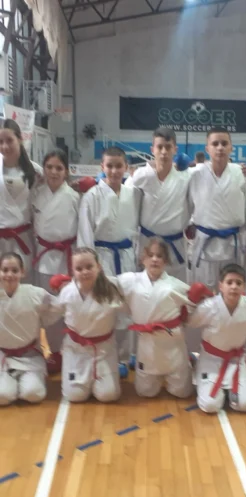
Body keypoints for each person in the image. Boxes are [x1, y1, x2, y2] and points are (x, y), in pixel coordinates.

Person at [112, 238, 200, 399]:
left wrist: (200, 297)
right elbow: (107, 286)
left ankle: (187, 361)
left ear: (166, 261)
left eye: (159, 256)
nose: (154, 259)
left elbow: (195, 307)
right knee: (145, 392)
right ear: (143, 259)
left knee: (182, 393)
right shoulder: (130, 280)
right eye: (150, 255)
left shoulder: (175, 285)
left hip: (173, 343)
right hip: (148, 345)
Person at [77, 146, 140, 372]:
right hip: (102, 258)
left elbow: (137, 231)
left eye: (118, 166)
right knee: (103, 308)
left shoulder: (133, 194)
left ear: (126, 168)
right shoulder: (92, 196)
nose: (114, 171)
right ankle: (105, 356)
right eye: (109, 166)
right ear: (102, 167)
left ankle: (125, 356)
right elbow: (85, 233)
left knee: (126, 308)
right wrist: (89, 266)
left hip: (126, 256)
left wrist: (137, 256)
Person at [188, 263, 246, 414]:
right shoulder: (208, 306)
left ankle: (229, 392)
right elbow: (190, 321)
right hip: (210, 361)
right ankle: (204, 374)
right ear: (221, 286)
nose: (234, 287)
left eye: (238, 283)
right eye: (229, 282)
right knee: (210, 406)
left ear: (244, 287)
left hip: (236, 361)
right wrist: (192, 302)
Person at [51, 248, 124, 403]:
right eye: (79, 268)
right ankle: (86, 381)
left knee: (108, 395)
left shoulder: (112, 287)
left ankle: (103, 378)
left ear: (99, 266)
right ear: (73, 271)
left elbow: (134, 291)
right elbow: (52, 312)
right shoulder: (67, 292)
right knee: (74, 396)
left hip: (104, 350)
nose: (85, 272)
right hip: (76, 350)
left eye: (89, 267)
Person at [32, 149, 80, 374]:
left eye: (59, 168)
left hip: (67, 257)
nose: (53, 172)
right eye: (49, 167)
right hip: (43, 256)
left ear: (66, 171)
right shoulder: (36, 193)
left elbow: (81, 229)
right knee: (48, 307)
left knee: (68, 306)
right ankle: (54, 351)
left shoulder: (74, 197)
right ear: (43, 169)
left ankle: (71, 350)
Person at [125, 128, 192, 282]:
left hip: (175, 244)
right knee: (145, 286)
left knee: (175, 288)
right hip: (147, 242)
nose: (163, 152)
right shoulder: (141, 176)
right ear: (152, 149)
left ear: (175, 149)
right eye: (159, 147)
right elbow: (125, 201)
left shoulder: (186, 178)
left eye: (168, 147)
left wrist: (245, 170)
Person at [189, 127, 246, 290]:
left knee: (232, 293)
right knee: (203, 293)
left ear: (231, 147)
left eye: (224, 143)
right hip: (205, 244)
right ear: (207, 148)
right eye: (215, 144)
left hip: (232, 244)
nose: (220, 148)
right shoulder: (194, 174)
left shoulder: (241, 173)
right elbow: (186, 205)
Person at [0, 252, 62, 405]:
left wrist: (41, 321)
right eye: (5, 270)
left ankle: (24, 380)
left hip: (30, 356)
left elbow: (59, 307)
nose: (9, 275)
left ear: (23, 272)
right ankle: (10, 381)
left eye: (14, 270)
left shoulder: (35, 293)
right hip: (3, 357)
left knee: (33, 394)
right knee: (3, 396)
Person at [0, 119, 42, 280]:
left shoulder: (35, 171)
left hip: (23, 238)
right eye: (0, 142)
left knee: (25, 284)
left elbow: (54, 191)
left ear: (20, 139)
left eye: (9, 140)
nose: (5, 146)